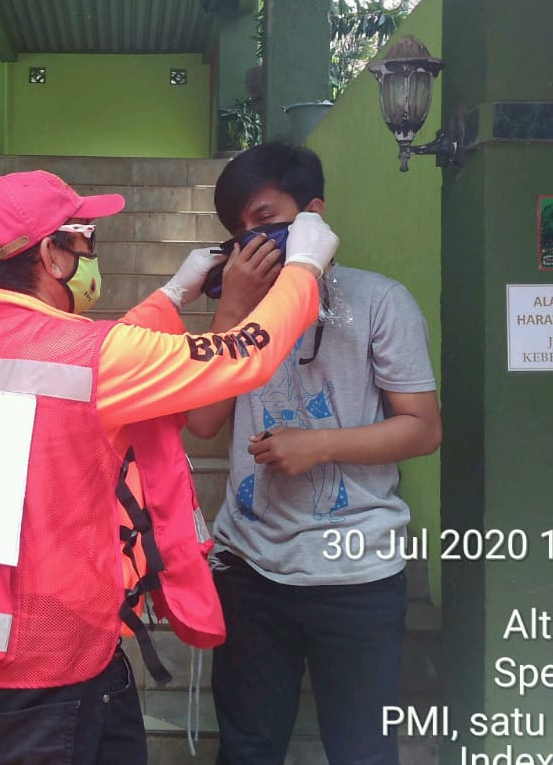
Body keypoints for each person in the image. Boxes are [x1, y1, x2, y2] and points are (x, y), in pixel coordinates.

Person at [0, 168, 339, 765]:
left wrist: (173, 297)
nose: (93, 255)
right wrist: (304, 268)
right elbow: (243, 354)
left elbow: (84, 373)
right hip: (41, 676)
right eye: (85, 241)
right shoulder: (93, 360)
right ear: (51, 255)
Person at [186, 142, 442, 765]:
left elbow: (423, 429)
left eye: (264, 218)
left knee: (361, 749)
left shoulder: (381, 301)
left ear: (313, 217)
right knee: (248, 748)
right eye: (238, 230)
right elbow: (202, 421)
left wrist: (319, 446)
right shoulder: (239, 314)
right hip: (249, 568)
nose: (252, 240)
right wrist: (231, 307)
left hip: (358, 571)